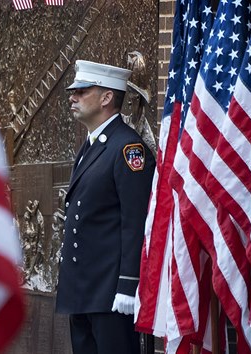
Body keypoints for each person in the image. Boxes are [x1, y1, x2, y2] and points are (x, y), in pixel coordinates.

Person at [55, 60, 155, 354]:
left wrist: (128, 286)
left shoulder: (127, 148)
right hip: (84, 291)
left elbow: (135, 221)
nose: (72, 97)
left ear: (107, 97)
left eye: (82, 91)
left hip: (111, 294)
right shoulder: (93, 145)